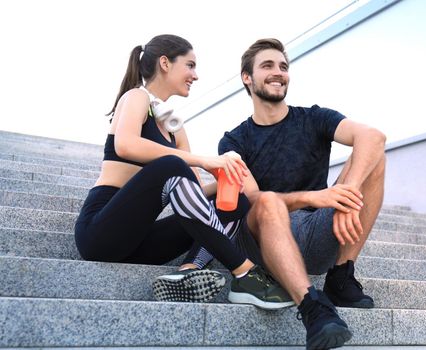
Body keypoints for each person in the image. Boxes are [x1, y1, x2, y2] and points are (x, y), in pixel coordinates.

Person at [73, 34, 293, 310]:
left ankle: (191, 269)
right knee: (172, 165)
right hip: (101, 234)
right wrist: (203, 160)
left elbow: (193, 194)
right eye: (190, 65)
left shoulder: (176, 126)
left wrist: (230, 178)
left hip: (140, 243)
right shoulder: (136, 97)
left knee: (236, 199)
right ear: (165, 63)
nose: (195, 75)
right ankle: (246, 274)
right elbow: (126, 144)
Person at [217, 38, 386, 349]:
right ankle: (312, 307)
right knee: (267, 200)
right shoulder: (233, 141)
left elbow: (373, 137)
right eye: (267, 66)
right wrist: (311, 197)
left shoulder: (314, 117)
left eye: (283, 67)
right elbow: (252, 200)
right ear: (247, 77)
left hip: (319, 232)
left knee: (374, 157)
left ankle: (341, 275)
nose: (278, 72)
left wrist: (348, 193)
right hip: (265, 240)